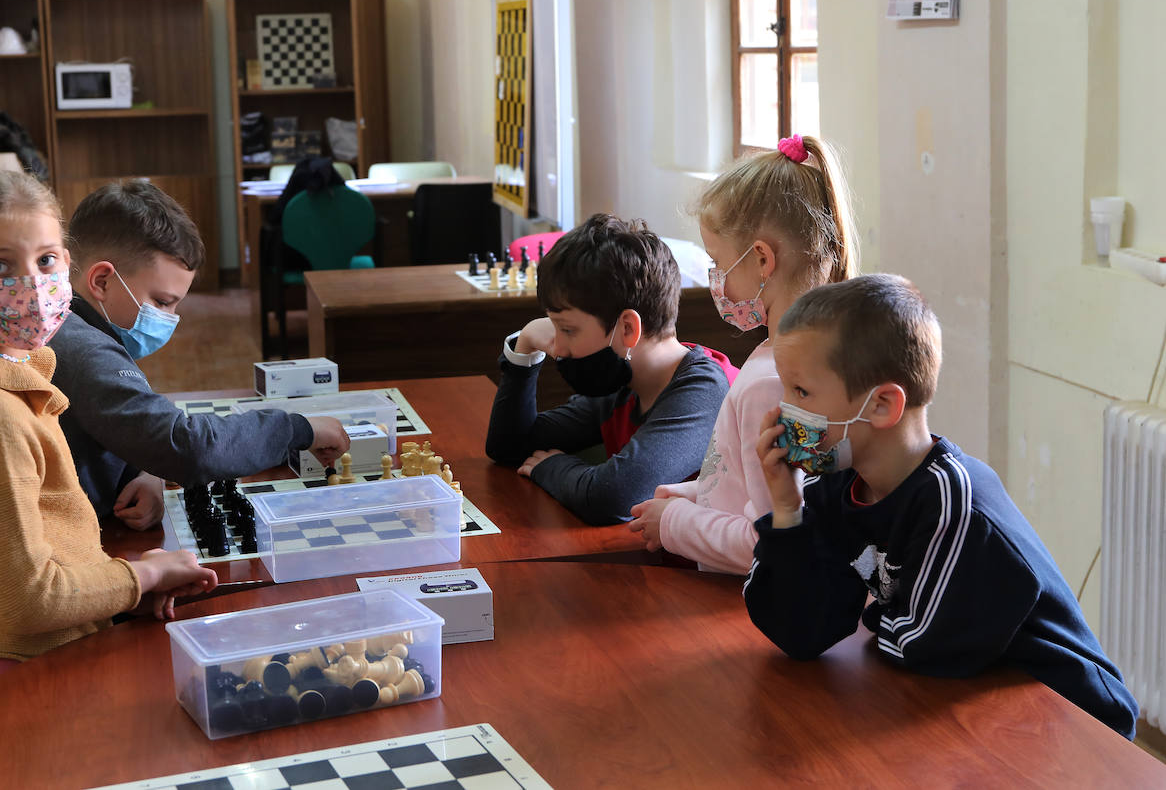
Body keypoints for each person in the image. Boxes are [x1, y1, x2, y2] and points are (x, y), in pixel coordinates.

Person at [743, 274, 1139, 739]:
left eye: (801, 393)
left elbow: (920, 645)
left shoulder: (954, 502)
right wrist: (787, 510)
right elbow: (803, 632)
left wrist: (863, 613)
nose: (784, 410)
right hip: (969, 706)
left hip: (1071, 721)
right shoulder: (838, 486)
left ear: (882, 405)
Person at [0, 170, 217, 711]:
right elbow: (29, 602)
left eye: (45, 260)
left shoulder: (16, 375)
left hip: (45, 658)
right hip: (16, 688)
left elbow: (52, 553)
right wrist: (145, 573)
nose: (31, 284)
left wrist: (120, 593)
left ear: (68, 263)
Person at [49, 179, 350, 529]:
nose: (171, 318)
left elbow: (124, 424)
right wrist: (297, 428)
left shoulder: (73, 324)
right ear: (101, 281)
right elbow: (187, 446)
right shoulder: (83, 349)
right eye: (161, 301)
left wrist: (146, 469)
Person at [628, 134, 855, 573]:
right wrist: (692, 497)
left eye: (718, 262)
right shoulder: (789, 355)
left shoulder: (777, 382)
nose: (717, 280)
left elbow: (771, 541)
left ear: (762, 260)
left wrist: (675, 523)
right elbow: (750, 489)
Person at [484, 213, 730, 524]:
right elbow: (510, 446)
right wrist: (526, 348)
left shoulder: (704, 392)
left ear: (627, 328)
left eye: (568, 330)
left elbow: (612, 495)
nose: (557, 349)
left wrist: (554, 466)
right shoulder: (623, 384)